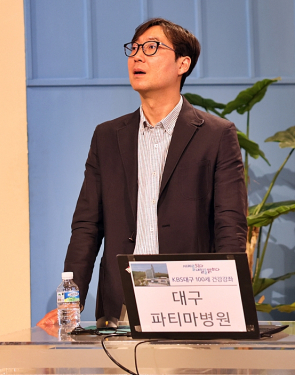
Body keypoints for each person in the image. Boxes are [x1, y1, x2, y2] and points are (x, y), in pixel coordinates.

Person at [39, 18, 248, 326]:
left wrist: (229, 301)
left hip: (191, 302)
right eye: (134, 48)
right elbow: (86, 226)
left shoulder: (216, 135)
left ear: (183, 64)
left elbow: (230, 225)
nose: (137, 56)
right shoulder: (107, 136)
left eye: (151, 48)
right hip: (123, 303)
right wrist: (70, 302)